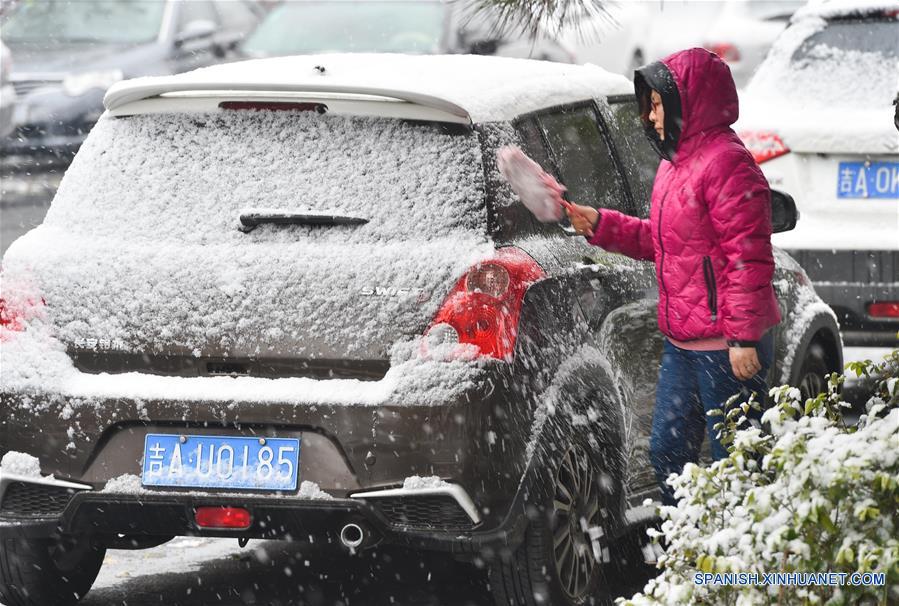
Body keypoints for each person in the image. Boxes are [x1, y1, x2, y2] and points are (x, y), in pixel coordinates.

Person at [565, 48, 782, 506]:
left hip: (727, 345)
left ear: (689, 101)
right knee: (668, 454)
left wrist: (742, 337)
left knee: (736, 463)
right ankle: (688, 556)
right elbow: (666, 244)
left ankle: (740, 569)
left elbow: (749, 256)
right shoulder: (674, 165)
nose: (650, 115)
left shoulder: (727, 163)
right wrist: (601, 224)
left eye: (658, 103)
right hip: (683, 341)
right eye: (649, 105)